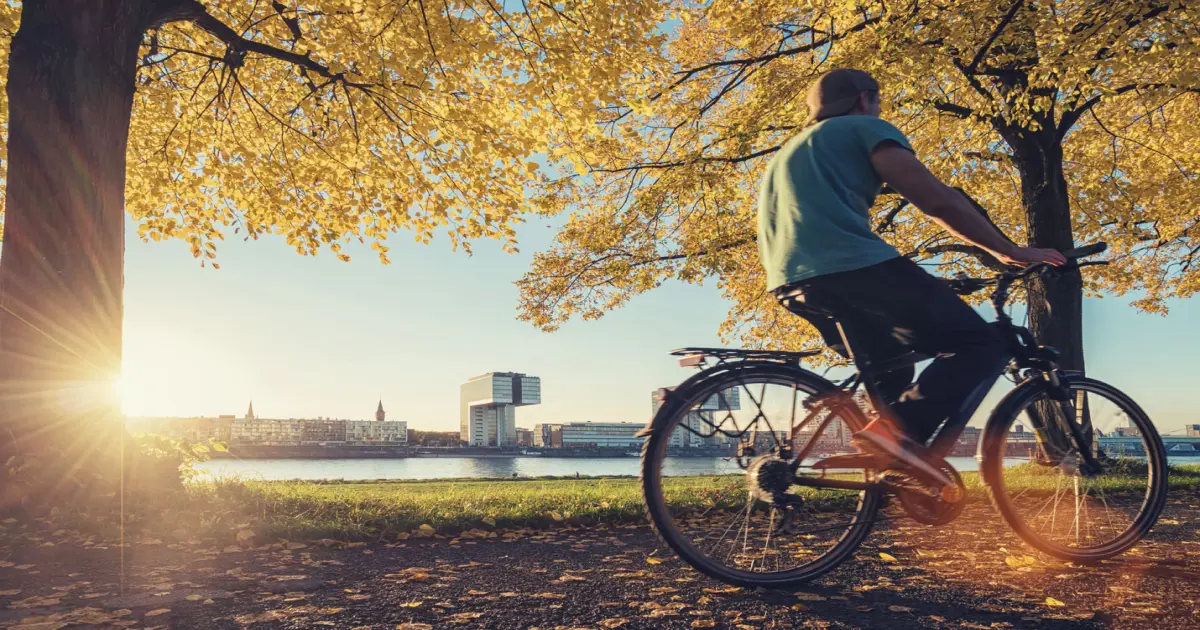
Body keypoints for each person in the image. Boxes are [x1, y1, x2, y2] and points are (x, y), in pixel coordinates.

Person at [757, 68, 1065, 483]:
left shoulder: (790, 152)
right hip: (852, 266)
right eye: (878, 99)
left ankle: (898, 472)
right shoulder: (865, 128)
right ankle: (893, 436)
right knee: (982, 343)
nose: (880, 107)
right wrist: (1008, 250)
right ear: (864, 99)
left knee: (893, 366)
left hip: (790, 281)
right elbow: (936, 199)